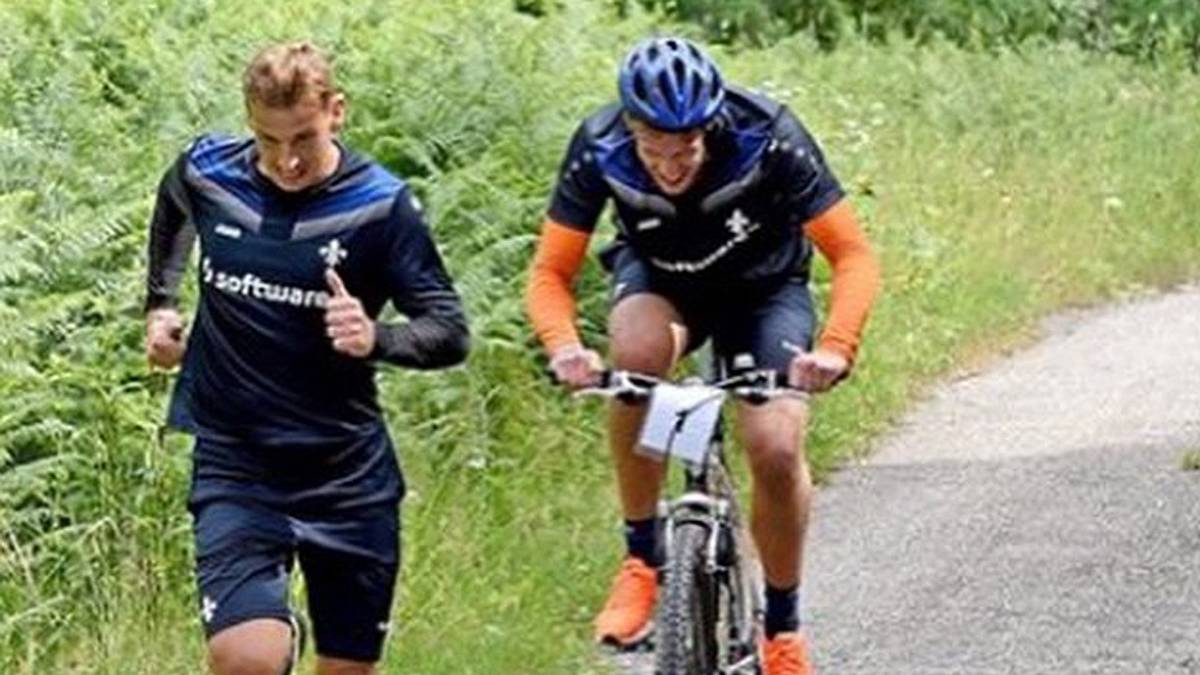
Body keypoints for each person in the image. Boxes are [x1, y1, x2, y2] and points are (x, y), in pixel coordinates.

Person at [525, 36, 880, 674]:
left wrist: (836, 347)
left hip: (764, 292)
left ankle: (783, 630)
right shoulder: (598, 144)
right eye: (652, 148)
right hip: (662, 285)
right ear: (630, 126)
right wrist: (565, 347)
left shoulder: (767, 134)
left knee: (773, 445)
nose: (668, 166)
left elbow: (852, 254)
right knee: (632, 359)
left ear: (710, 124)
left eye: (684, 147)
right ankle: (642, 559)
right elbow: (550, 271)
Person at [144, 42, 469, 675]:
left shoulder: (380, 206)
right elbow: (172, 204)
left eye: (303, 138)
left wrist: (378, 339)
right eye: (268, 140)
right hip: (238, 463)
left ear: (336, 112)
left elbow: (449, 330)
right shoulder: (211, 173)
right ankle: (273, 630)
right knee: (246, 659)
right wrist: (160, 303)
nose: (286, 160)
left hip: (346, 476)